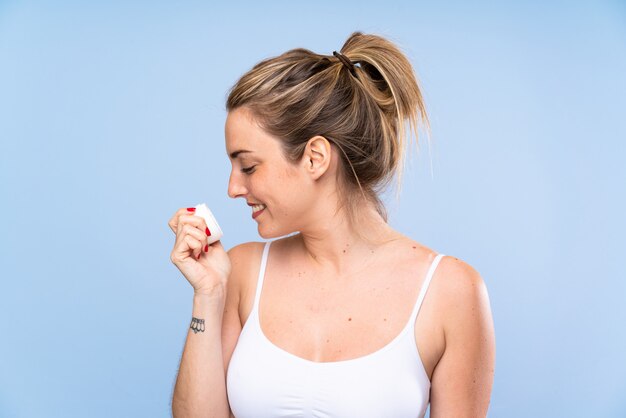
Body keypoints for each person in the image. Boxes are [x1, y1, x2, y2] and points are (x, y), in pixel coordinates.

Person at [169, 31, 495, 418]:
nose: (233, 188)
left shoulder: (450, 293)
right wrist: (208, 296)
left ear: (315, 158)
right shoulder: (239, 273)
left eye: (249, 166)